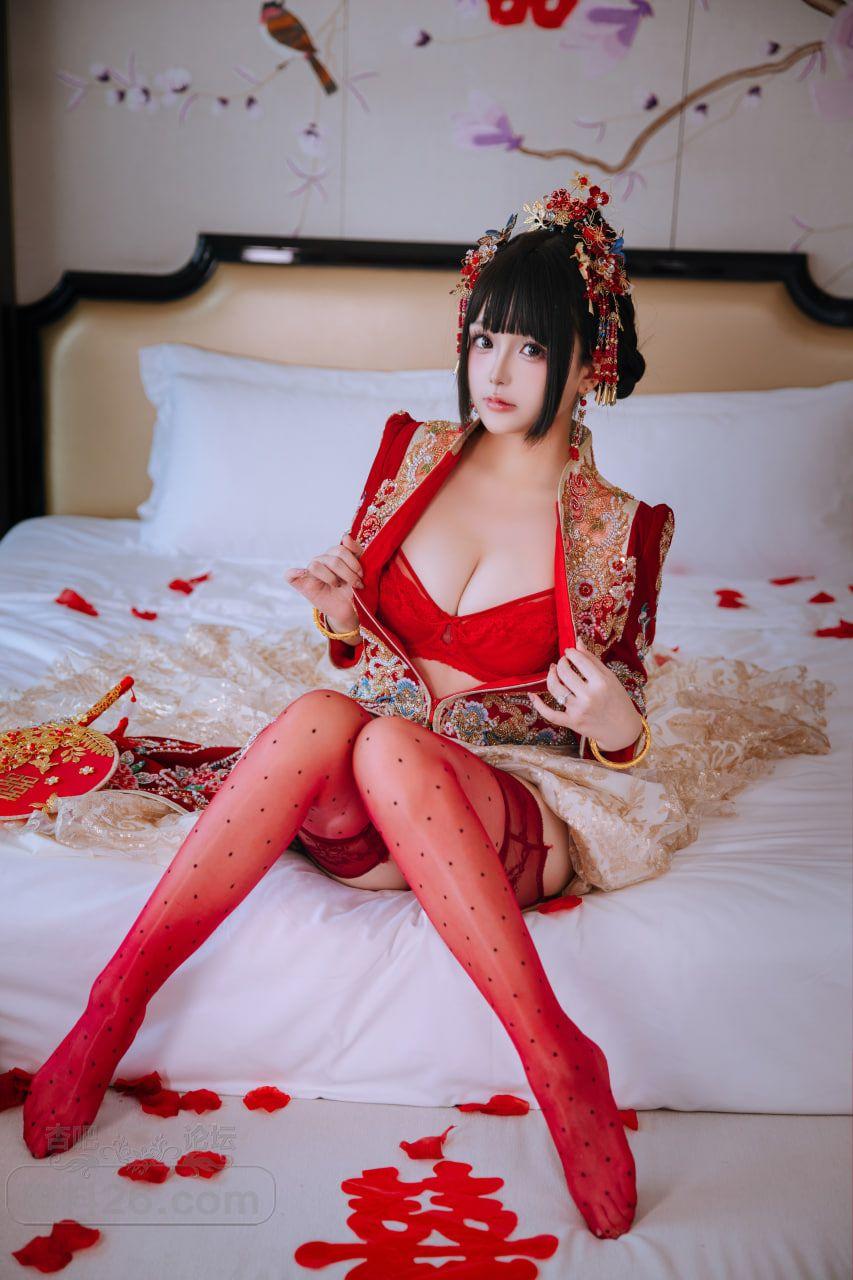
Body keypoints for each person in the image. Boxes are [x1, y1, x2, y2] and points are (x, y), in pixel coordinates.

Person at [23, 172, 672, 1242]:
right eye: (483, 339)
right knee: (322, 718)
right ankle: (113, 1002)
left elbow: (627, 721)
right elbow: (370, 655)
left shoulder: (620, 528)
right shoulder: (410, 456)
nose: (495, 371)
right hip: (372, 811)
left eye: (529, 347)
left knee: (388, 751)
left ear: (586, 359)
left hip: (505, 811)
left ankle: (558, 1058)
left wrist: (611, 722)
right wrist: (342, 616)